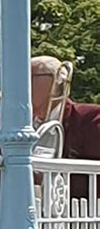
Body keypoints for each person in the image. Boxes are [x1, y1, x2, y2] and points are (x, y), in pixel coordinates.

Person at [31, 55, 100, 198]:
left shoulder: (90, 117)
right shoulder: (20, 125)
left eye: (30, 76)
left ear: (56, 81)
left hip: (79, 213)